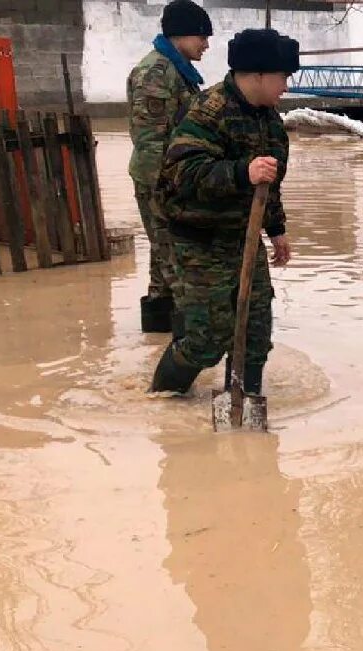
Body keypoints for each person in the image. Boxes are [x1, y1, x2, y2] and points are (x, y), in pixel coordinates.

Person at [149, 28, 298, 395]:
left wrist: (276, 229)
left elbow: (270, 181)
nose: (286, 86)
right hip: (198, 239)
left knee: (255, 331)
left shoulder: (268, 118)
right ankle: (162, 399)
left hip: (242, 237)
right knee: (207, 340)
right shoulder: (208, 111)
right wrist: (240, 172)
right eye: (283, 77)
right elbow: (182, 173)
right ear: (258, 75)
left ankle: (244, 405)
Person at [129, 0, 212, 334]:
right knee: (175, 255)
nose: (206, 44)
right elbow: (151, 140)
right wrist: (168, 190)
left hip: (169, 178)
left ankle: (158, 332)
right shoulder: (157, 73)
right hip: (159, 181)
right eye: (202, 37)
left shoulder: (177, 71)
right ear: (181, 34)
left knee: (162, 254)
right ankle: (186, 341)